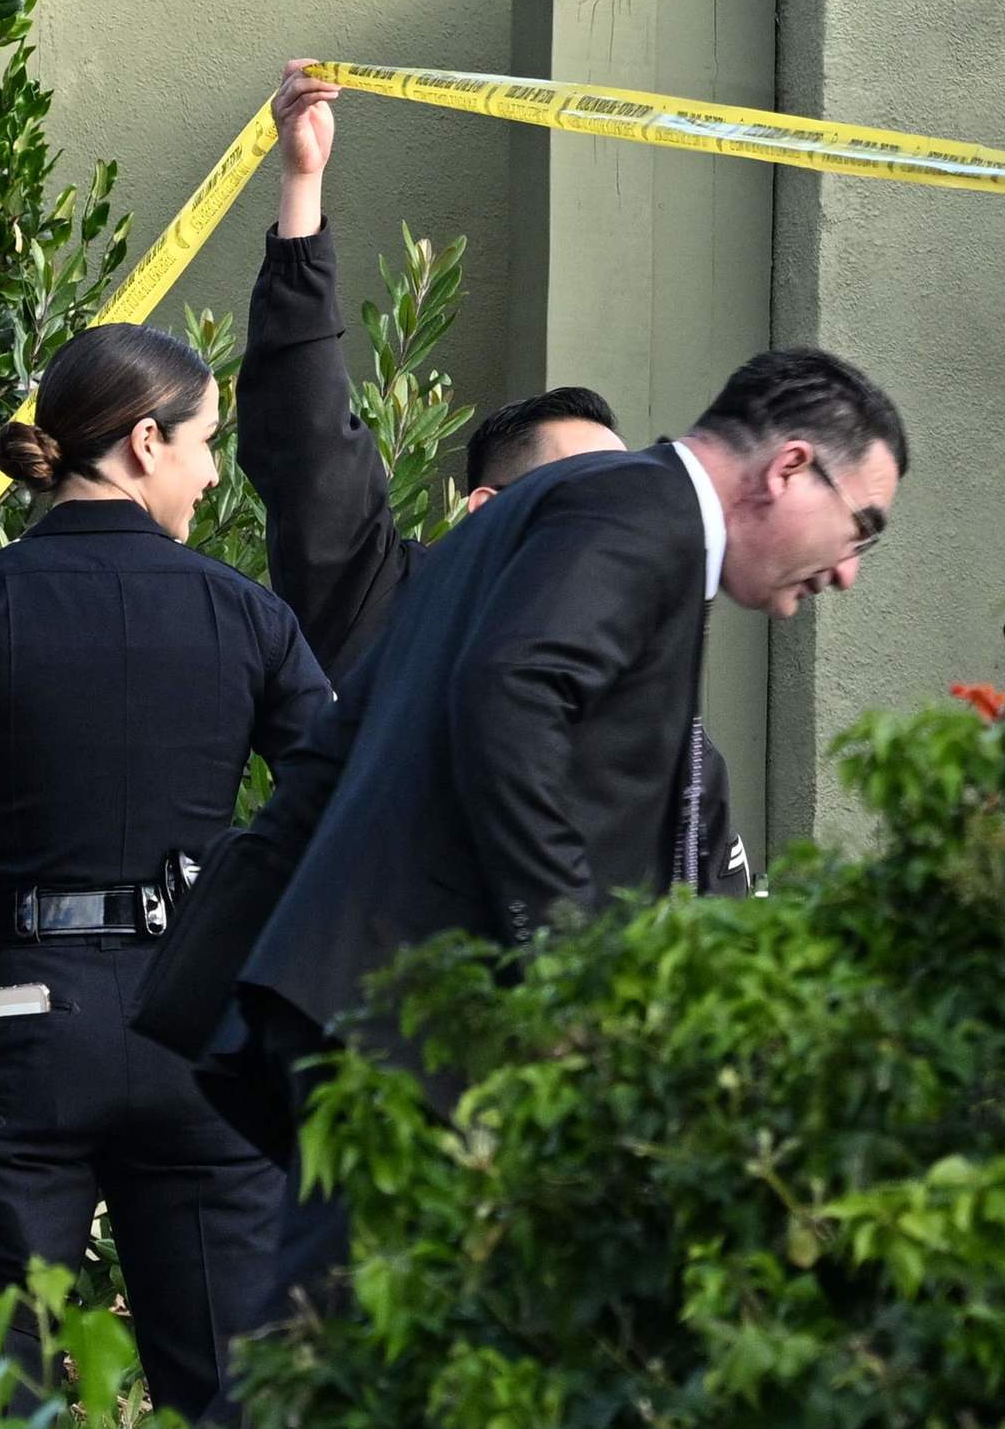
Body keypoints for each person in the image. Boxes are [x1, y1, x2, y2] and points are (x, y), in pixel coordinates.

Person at [222, 345, 908, 1290]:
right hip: (415, 1031)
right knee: (333, 1378)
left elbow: (363, 733)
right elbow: (510, 693)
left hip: (373, 1008)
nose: (848, 575)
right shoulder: (643, 511)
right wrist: (565, 964)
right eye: (861, 530)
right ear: (790, 467)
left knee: (352, 1374)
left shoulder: (579, 509)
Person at [0, 322, 334, 1429]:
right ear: (141, 443)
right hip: (199, 1047)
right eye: (205, 445)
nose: (213, 474)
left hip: (15, 1038)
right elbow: (336, 804)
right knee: (232, 1417)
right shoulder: (249, 616)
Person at [240, 60, 754, 895]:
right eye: (579, 498)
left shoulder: (642, 684)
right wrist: (303, 185)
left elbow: (724, 916)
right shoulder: (389, 604)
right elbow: (306, 441)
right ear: (485, 511)